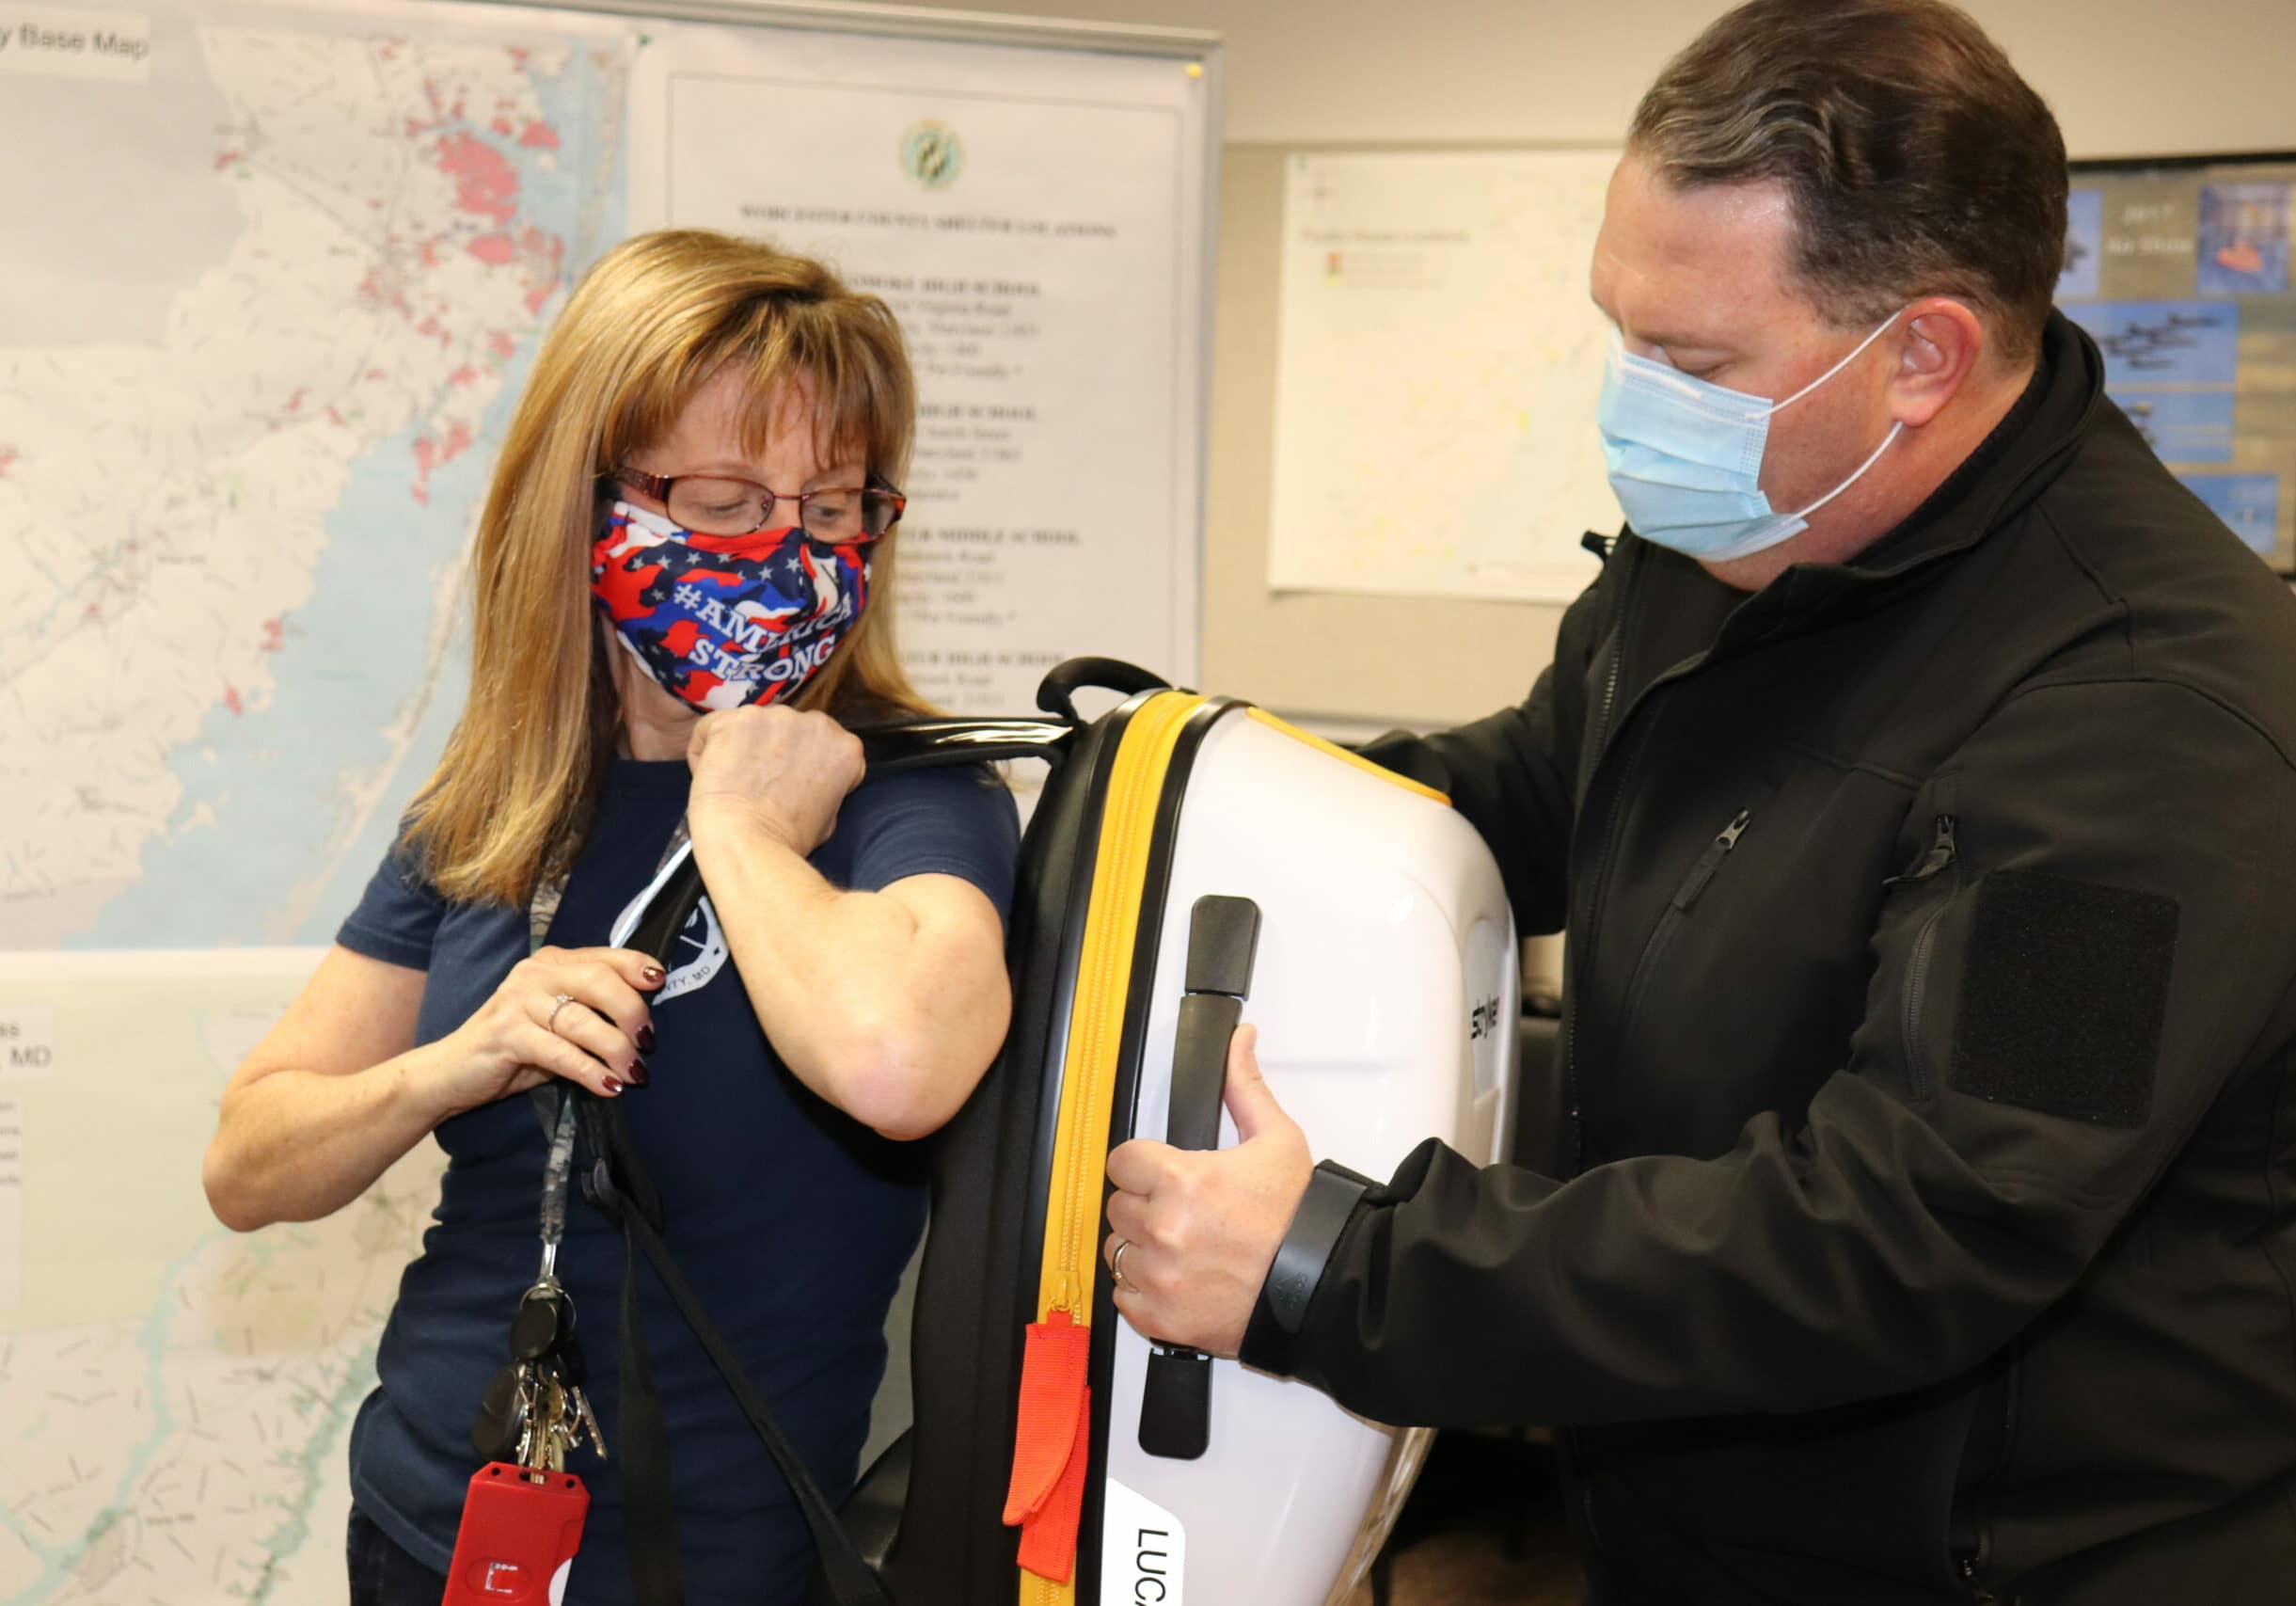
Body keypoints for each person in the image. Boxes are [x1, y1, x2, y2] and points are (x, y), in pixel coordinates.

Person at [1100, 4, 2296, 1601]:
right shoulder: (1748, 528)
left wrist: (1333, 1267)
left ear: (1921, 358)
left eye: (1692, 359)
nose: (1635, 401)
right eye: (1622, 331)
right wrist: (1168, 804)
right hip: (1693, 1507)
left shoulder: (2146, 719)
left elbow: (1912, 1229)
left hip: (1988, 1562)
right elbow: (1529, 787)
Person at [200, 230, 1019, 1606]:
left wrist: (745, 825)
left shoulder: (908, 798)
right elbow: (248, 1166)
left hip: (721, 1564)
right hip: (432, 1523)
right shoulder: (496, 806)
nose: (781, 553)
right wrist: (448, 1068)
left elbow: (899, 1064)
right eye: (720, 498)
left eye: (827, 509)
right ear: (585, 508)